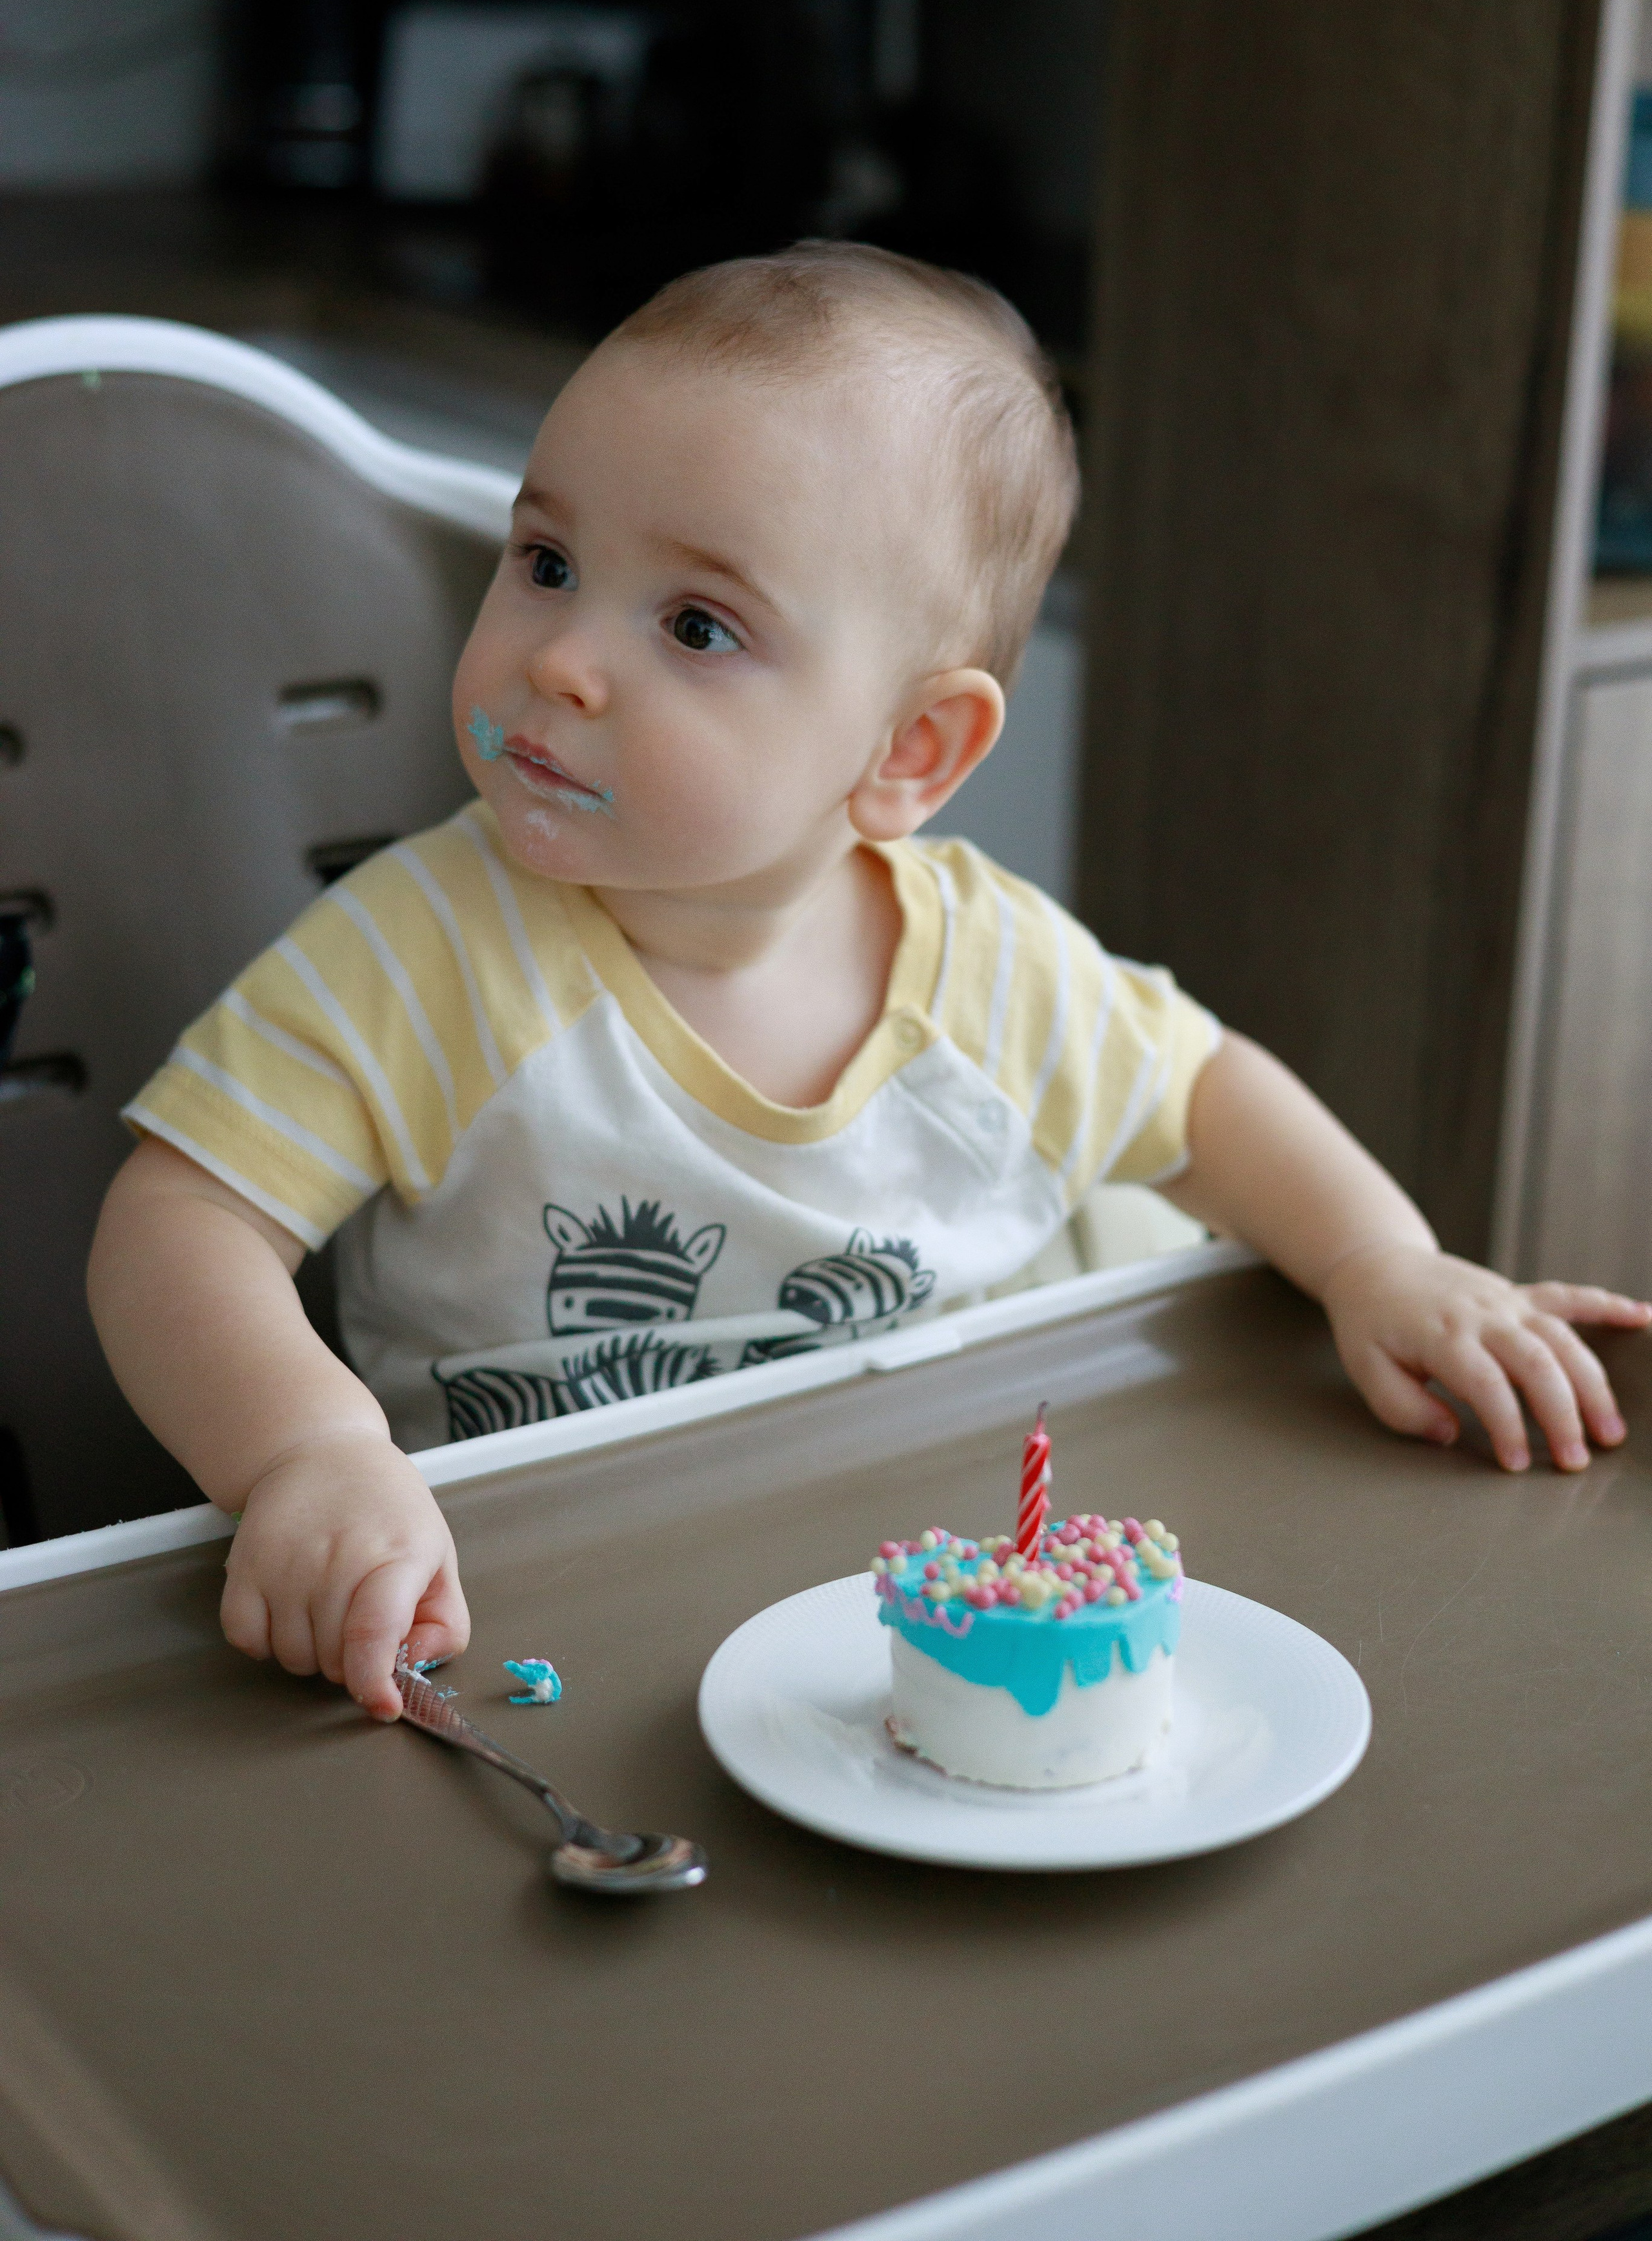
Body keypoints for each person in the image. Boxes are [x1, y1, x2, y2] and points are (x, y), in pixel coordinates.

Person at [87, 242, 1650, 1723]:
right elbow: (179, 1221)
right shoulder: (418, 953)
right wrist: (307, 1452)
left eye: (696, 624)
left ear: (910, 750)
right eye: (547, 561)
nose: (560, 659)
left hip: (927, 1624)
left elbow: (1202, 1093)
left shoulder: (991, 974)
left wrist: (1381, 1264)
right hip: (525, 1629)